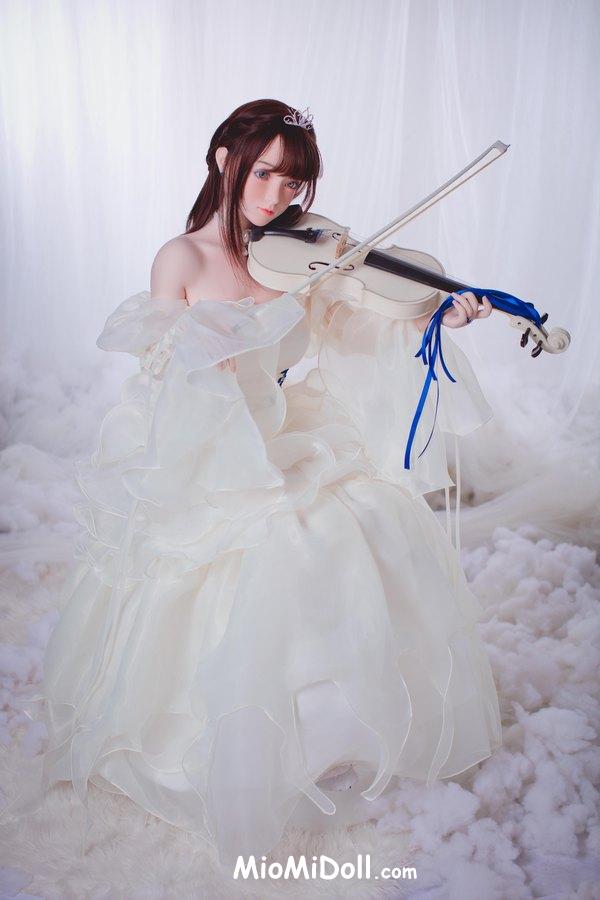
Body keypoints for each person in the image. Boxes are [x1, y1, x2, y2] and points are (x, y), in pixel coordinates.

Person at [2, 99, 501, 868]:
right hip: (207, 446)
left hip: (286, 430)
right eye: (264, 172)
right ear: (223, 160)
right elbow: (164, 382)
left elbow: (360, 324)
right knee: (256, 548)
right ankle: (231, 737)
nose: (276, 195)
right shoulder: (182, 259)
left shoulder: (304, 254)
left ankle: (334, 727)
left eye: (292, 182)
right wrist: (216, 344)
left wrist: (436, 315)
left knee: (361, 517)